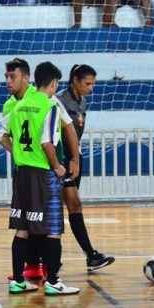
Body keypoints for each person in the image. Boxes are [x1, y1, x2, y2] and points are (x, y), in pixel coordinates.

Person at [0, 62, 80, 296]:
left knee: (22, 229)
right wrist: (58, 166)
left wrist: (18, 153)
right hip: (42, 173)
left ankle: (18, 281)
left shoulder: (19, 106)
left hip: (22, 173)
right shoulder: (49, 105)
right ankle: (52, 281)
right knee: (53, 228)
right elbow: (46, 142)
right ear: (53, 84)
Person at [57, 65, 115, 272]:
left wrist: (76, 156)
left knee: (72, 206)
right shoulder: (59, 101)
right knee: (70, 205)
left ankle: (88, 257)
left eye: (93, 84)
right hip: (61, 159)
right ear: (75, 80)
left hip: (74, 157)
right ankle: (84, 255)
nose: (91, 88)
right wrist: (68, 158)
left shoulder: (83, 102)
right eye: (87, 83)